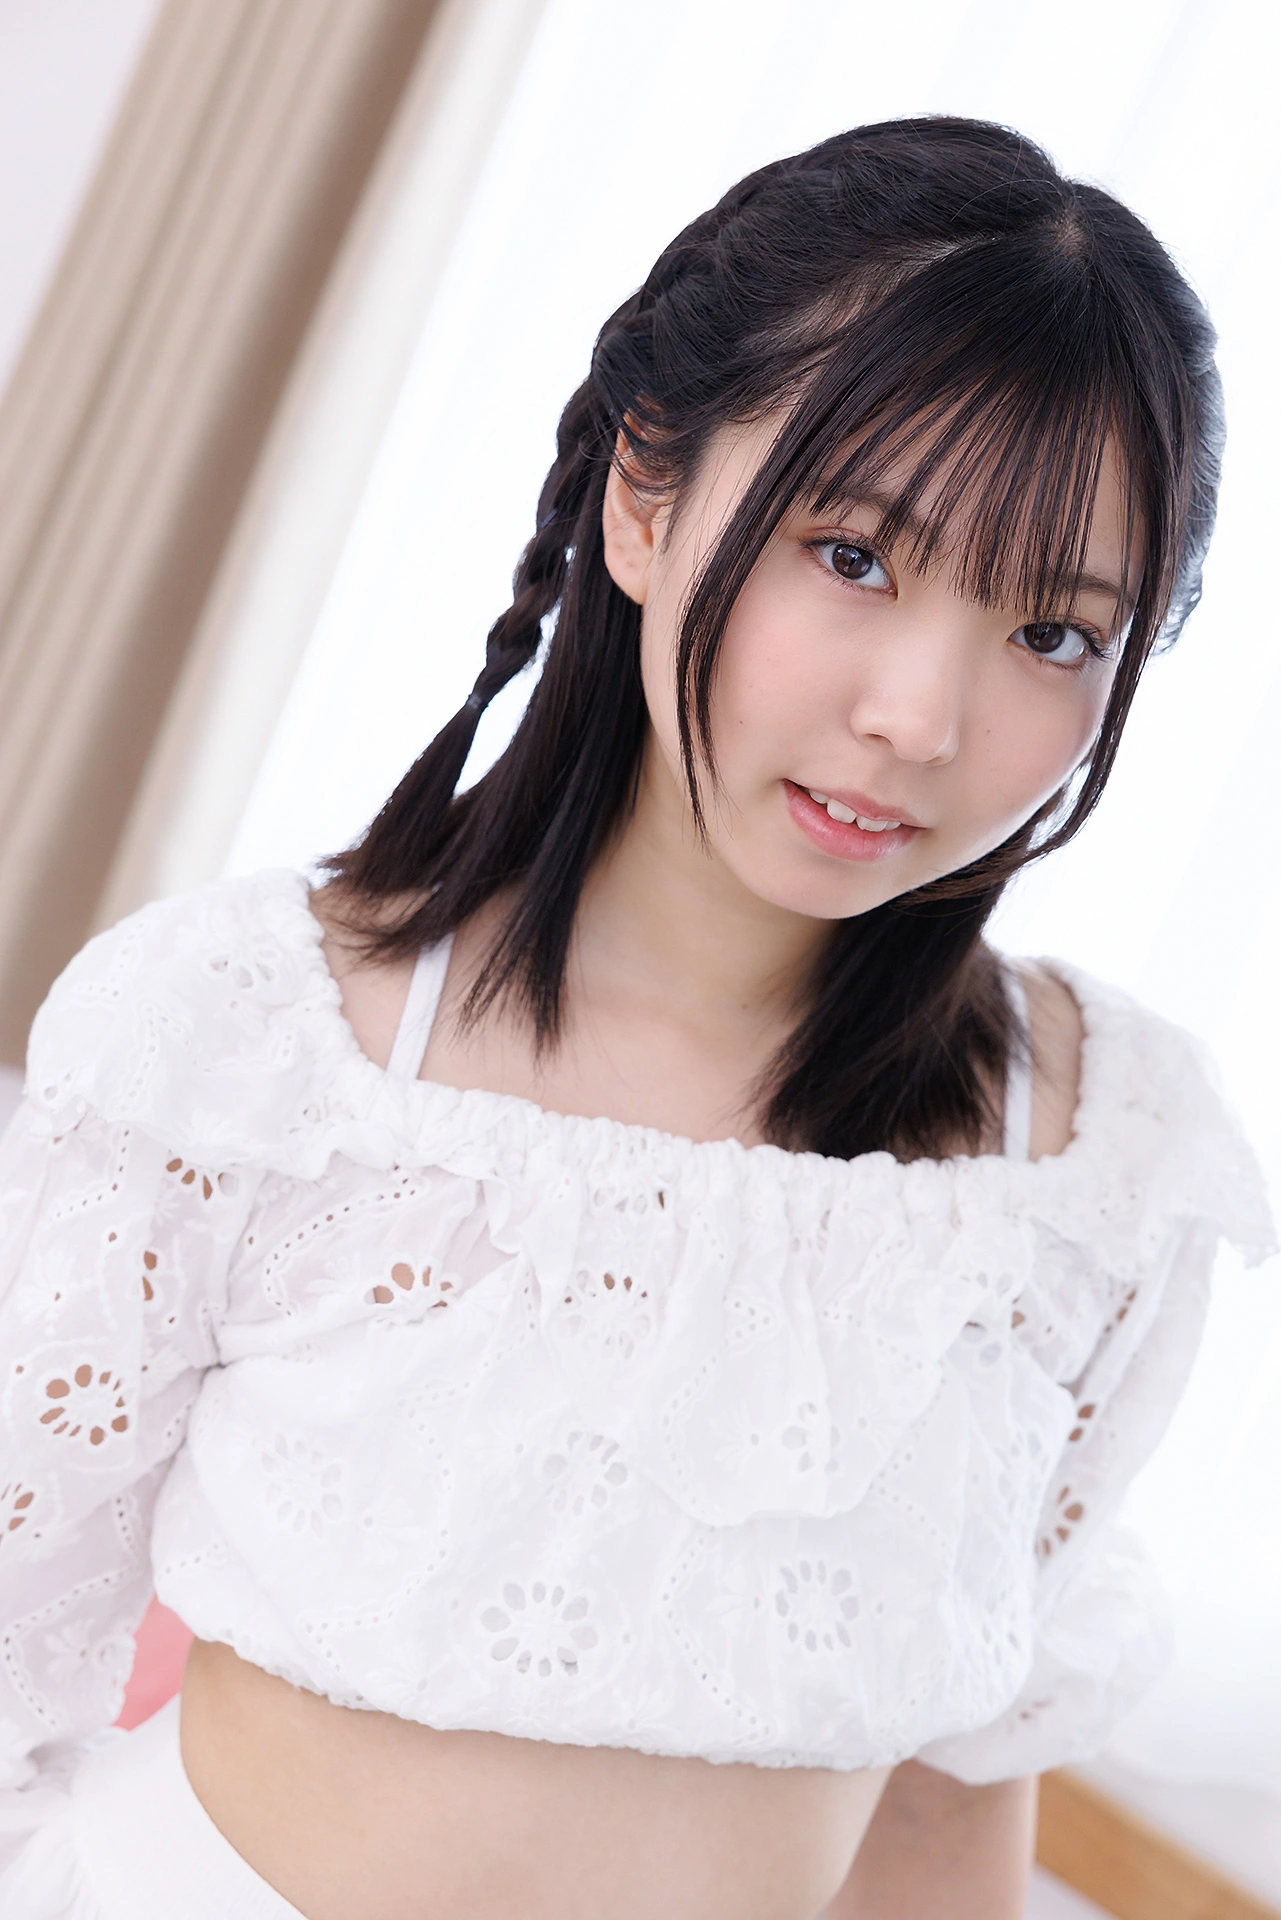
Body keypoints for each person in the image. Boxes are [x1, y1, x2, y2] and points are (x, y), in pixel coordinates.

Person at [0, 116, 1272, 1920]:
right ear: (643, 500)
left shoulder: (1086, 1157)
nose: (919, 718)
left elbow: (943, 1792)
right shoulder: (263, 1046)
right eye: (855, 556)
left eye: (1053, 635)